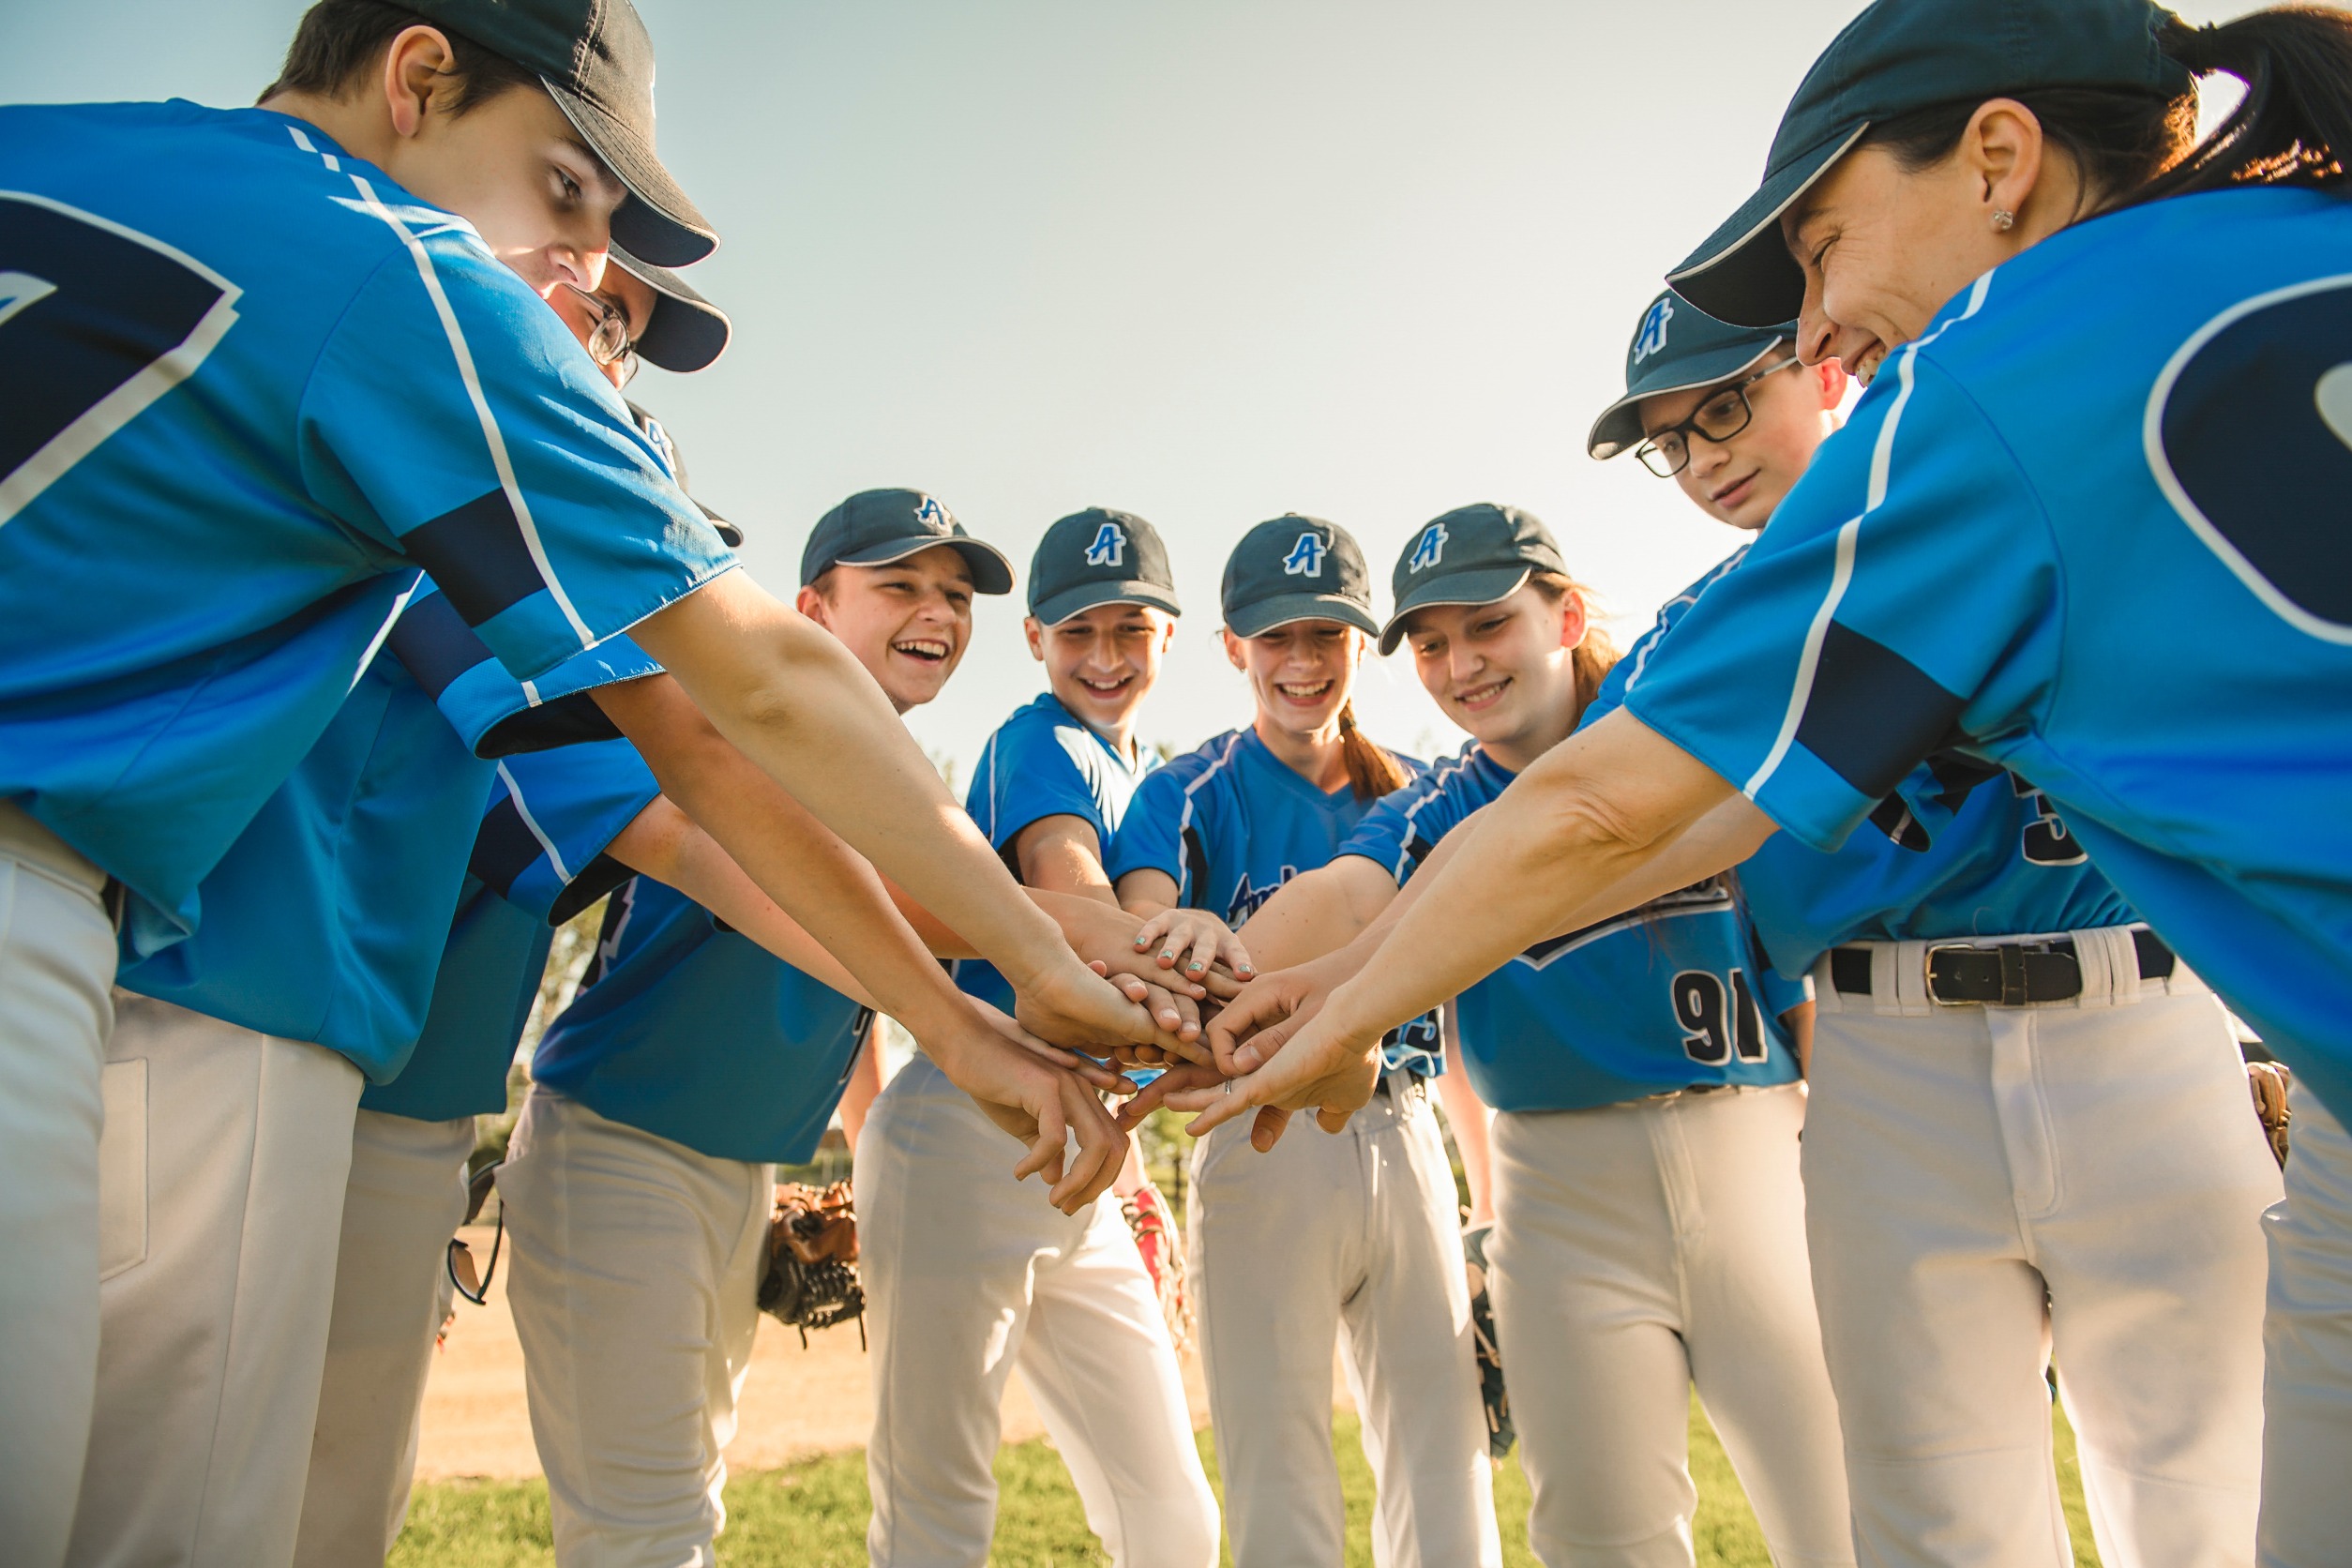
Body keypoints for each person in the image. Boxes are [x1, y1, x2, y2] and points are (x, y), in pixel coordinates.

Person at [1181, 5, 2352, 1565]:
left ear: (1997, 158)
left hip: (2137, 1020)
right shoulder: (2293, 230)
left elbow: (1611, 813)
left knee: (2188, 1500)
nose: (1816, 313)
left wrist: (1336, 1009)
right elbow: (1628, 826)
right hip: (1920, 1054)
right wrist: (1340, 977)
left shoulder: (1987, 396)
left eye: (1819, 246)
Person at [0, 5, 1141, 1550]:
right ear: (416, 80)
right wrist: (1015, 972)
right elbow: (725, 731)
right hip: (150, 956)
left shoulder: (62, 145)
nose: (585, 276)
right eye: (562, 192)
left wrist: (956, 1009)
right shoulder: (400, 279)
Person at [1588, 291, 2281, 1566]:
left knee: (2210, 1494)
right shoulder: (1691, 638)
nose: (1703, 457)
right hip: (1884, 1056)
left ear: (1821, 370)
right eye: (1669, 441)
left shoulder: (2039, 508)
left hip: (2139, 1014)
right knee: (1937, 1512)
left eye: (1726, 405)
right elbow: (1576, 827)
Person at [1168, 504, 1851, 1568]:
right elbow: (1350, 893)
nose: (1459, 665)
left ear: (1566, 613)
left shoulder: (1674, 712)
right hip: (1558, 1189)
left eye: (1487, 624)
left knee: (1847, 1507)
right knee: (1600, 1534)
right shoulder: (1439, 799)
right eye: (1431, 643)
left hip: (1750, 1143)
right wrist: (1211, 995)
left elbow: (1802, 965)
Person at [492, 487, 1020, 1566]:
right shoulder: (734, 728)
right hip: (616, 1147)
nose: (939, 611)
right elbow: (862, 933)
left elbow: (864, 987)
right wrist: (1024, 975)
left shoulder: (900, 781)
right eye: (901, 584)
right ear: (811, 609)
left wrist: (870, 1162)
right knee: (646, 1529)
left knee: (688, 1504)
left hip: (736, 1174)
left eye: (957, 594)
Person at [1106, 516, 1502, 1568]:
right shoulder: (1187, 789)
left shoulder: (1422, 788)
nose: (1301, 661)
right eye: (1276, 637)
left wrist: (1483, 1196)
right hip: (1261, 1132)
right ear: (1232, 646)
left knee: (1446, 1462)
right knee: (1279, 1470)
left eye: (1326, 635)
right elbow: (1142, 923)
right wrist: (1175, 929)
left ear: (1360, 645)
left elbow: (1456, 1008)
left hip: (1407, 1124)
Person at [860, 506, 1221, 1568]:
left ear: (1168, 633)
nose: (1102, 656)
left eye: (1127, 629)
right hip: (970, 1130)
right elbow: (1071, 887)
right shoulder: (1040, 740)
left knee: (1173, 1517)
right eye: (1077, 633)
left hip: (1086, 1150)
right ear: (1034, 641)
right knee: (938, 1509)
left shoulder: (1144, 769)